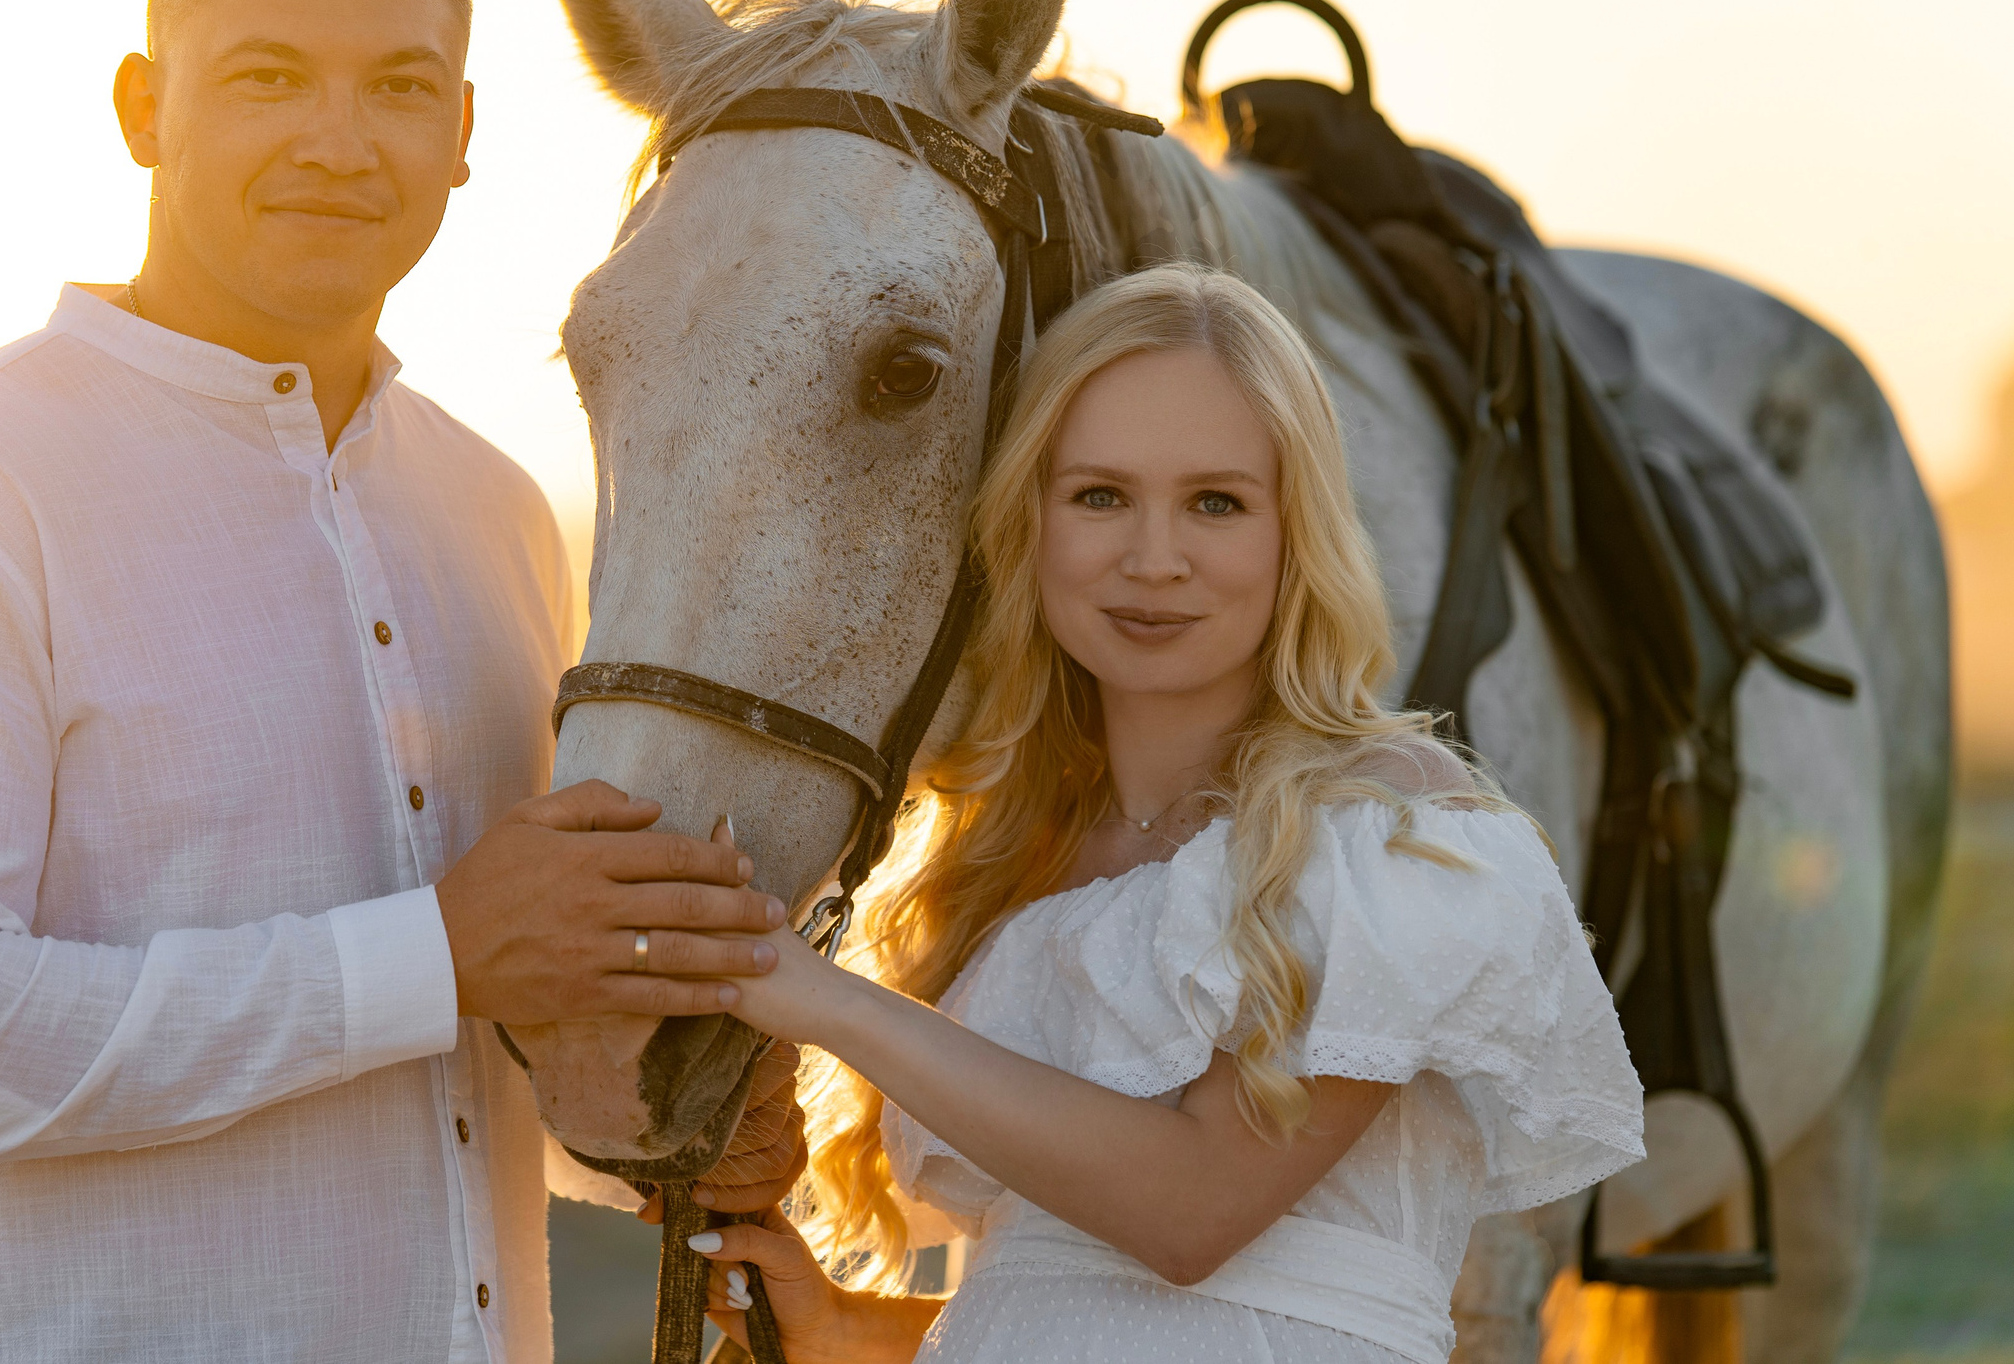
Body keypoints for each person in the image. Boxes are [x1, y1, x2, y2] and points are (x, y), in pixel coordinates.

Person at [0, 0, 800, 1364]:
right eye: (268, 77)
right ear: (144, 107)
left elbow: (474, 1031)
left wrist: (663, 1117)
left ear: (463, 130)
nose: (339, 140)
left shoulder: (497, 510)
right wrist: (428, 954)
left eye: (397, 85)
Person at [684, 263, 1645, 1363]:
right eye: (1099, 495)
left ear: (1294, 533)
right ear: (1029, 519)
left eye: (1216, 503)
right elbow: (1064, 1307)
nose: (1152, 561)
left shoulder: (1385, 823)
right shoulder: (1006, 857)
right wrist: (850, 1327)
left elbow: (1192, 1214)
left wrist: (822, 1000)